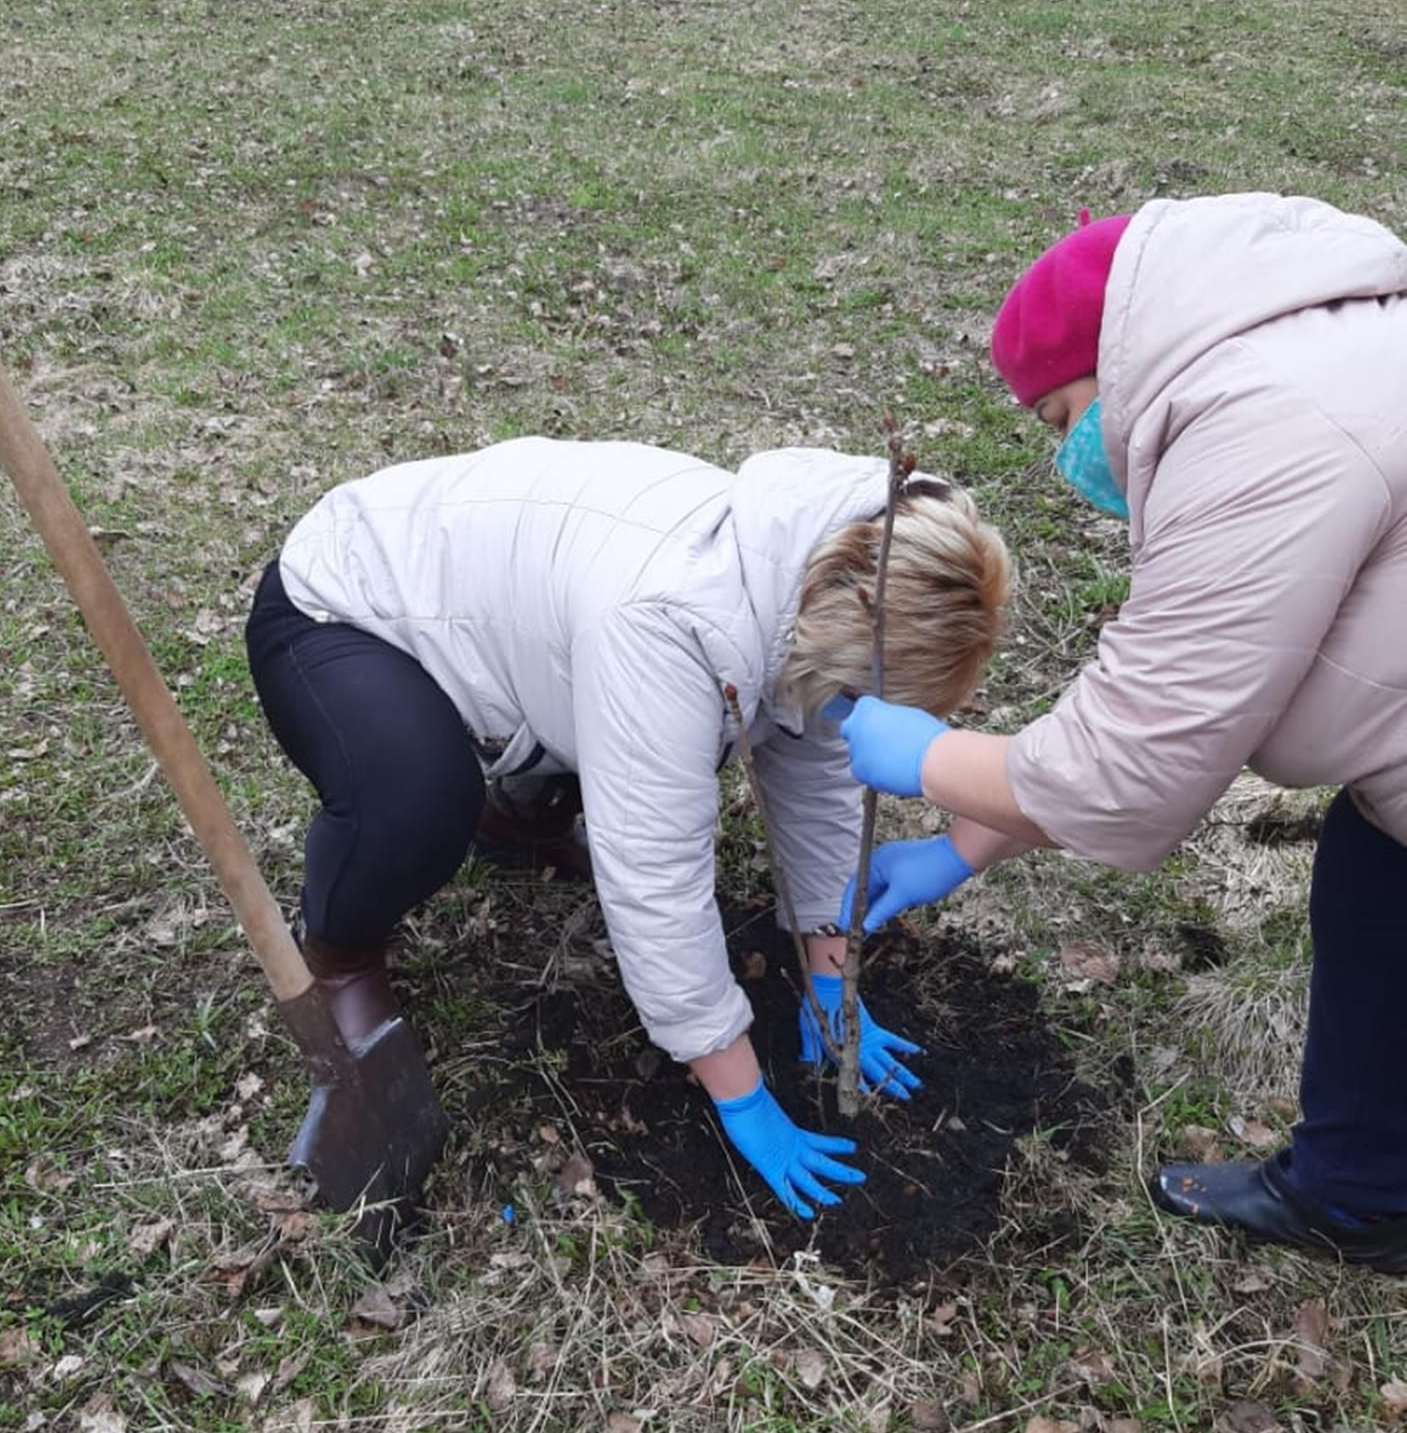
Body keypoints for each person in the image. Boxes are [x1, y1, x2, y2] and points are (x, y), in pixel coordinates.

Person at [837, 195, 1407, 1274]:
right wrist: (966, 845)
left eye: (1061, 418)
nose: (1070, 460)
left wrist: (922, 759)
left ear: (1116, 356)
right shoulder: (1303, 353)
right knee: (1377, 865)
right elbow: (1196, 712)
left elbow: (1134, 773)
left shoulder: (1265, 420)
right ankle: (1358, 1191)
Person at [245, 438, 1011, 1222]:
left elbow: (816, 776)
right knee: (417, 803)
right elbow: (653, 878)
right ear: (838, 640)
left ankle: (520, 814)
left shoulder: (810, 582)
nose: (847, 713)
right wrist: (741, 1093)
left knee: (673, 732)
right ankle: (339, 949)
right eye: (854, 695)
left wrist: (827, 970)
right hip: (344, 609)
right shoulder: (669, 620)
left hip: (514, 630)